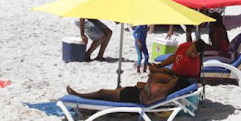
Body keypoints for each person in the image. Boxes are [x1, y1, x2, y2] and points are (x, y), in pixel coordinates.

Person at [66, 40, 206, 105]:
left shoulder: (185, 69)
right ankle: (84, 99)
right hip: (139, 93)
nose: (192, 53)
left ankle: (81, 97)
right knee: (110, 93)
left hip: (138, 97)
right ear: (191, 44)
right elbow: (175, 56)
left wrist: (155, 74)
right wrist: (160, 65)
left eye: (195, 53)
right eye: (192, 50)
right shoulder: (184, 47)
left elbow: (148, 99)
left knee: (105, 93)